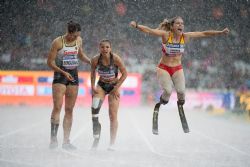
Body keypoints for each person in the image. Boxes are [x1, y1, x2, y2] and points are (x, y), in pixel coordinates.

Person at [130, 16, 229, 135]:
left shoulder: (185, 37)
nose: (180, 25)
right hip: (164, 67)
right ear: (172, 26)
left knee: (181, 92)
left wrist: (220, 32)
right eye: (177, 23)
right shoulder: (166, 35)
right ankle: (161, 103)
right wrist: (136, 26)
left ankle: (180, 104)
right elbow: (150, 31)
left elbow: (204, 33)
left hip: (177, 68)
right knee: (167, 91)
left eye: (182, 23)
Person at [47, 21, 91, 150]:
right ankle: (53, 138)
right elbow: (50, 62)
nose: (76, 37)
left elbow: (80, 55)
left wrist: (90, 61)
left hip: (73, 75)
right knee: (57, 107)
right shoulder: (58, 42)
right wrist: (63, 72)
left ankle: (66, 141)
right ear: (69, 32)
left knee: (69, 110)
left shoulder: (79, 40)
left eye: (78, 35)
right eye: (74, 35)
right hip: (60, 75)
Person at [90, 39, 127, 150]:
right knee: (94, 109)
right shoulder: (95, 59)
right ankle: (97, 135)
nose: (105, 49)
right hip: (101, 85)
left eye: (107, 47)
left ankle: (112, 144)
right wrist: (92, 86)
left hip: (113, 87)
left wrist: (116, 88)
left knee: (112, 115)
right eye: (102, 47)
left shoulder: (116, 59)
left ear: (110, 48)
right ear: (99, 48)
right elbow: (92, 74)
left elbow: (125, 74)